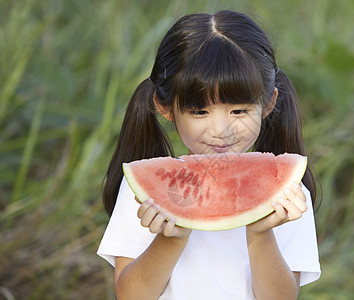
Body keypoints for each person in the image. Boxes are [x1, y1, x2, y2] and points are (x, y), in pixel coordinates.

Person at [98, 10, 321, 299]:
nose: (221, 130)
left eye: (239, 110)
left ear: (268, 104)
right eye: (199, 111)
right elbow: (130, 296)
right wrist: (170, 240)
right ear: (166, 108)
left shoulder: (287, 197)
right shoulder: (140, 193)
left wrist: (260, 234)